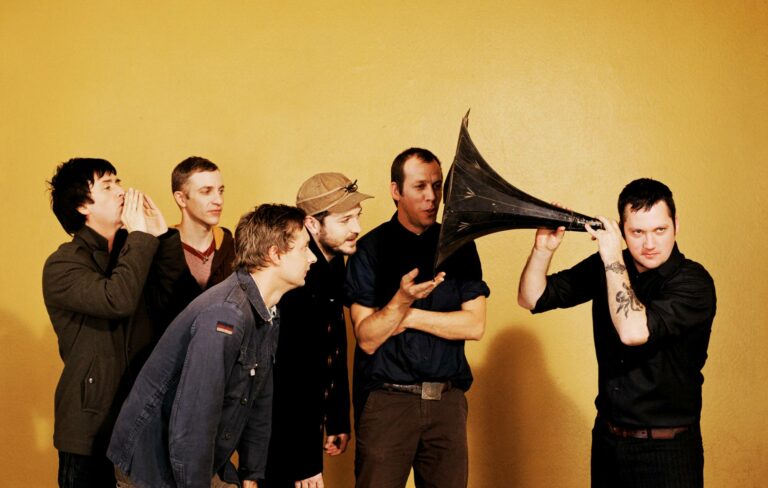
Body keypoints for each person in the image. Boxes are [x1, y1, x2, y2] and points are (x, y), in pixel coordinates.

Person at [517, 178, 716, 488]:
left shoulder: (694, 282)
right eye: (637, 232)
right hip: (609, 444)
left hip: (668, 451)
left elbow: (633, 331)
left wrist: (612, 258)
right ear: (622, 230)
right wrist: (543, 250)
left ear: (676, 224)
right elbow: (531, 298)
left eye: (659, 230)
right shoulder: (607, 267)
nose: (649, 244)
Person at [108, 204, 317, 488]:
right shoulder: (225, 316)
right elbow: (194, 419)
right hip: (152, 466)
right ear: (275, 254)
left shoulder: (268, 310)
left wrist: (251, 475)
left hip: (196, 460)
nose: (313, 258)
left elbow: (259, 400)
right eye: (304, 248)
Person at [345, 148, 490, 488]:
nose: (432, 197)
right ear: (396, 191)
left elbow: (475, 325)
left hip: (447, 404)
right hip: (387, 403)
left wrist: (407, 317)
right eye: (420, 187)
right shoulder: (369, 250)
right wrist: (400, 300)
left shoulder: (461, 245)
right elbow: (367, 337)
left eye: (437, 187)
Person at [43, 158, 186, 487]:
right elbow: (116, 299)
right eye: (108, 186)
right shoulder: (62, 264)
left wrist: (162, 236)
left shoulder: (137, 249)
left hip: (142, 423)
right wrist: (140, 237)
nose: (122, 191)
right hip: (88, 430)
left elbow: (180, 303)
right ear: (82, 206)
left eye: (119, 182)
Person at [263, 173, 372, 488]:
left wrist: (337, 416)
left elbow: (331, 344)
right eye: (345, 220)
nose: (357, 228)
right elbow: (288, 378)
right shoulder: (294, 276)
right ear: (312, 224)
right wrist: (304, 463)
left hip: (307, 430)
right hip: (281, 441)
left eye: (357, 217)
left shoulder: (333, 262)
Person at [158, 156, 236, 327]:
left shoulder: (231, 246)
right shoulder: (160, 250)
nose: (219, 200)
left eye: (220, 190)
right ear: (181, 198)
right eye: (206, 191)